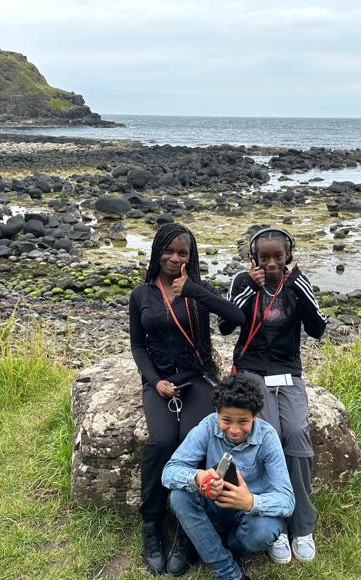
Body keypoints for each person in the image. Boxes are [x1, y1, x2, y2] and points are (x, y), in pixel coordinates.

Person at [129, 223, 246, 575]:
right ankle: (152, 522)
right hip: (160, 382)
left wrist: (194, 290)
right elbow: (138, 346)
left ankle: (186, 531)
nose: (175, 258)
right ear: (157, 252)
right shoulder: (141, 294)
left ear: (191, 257)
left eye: (183, 253)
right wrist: (155, 382)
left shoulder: (197, 290)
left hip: (196, 378)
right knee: (162, 441)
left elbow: (237, 317)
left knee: (193, 442)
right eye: (168, 250)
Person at [219, 227, 327, 564]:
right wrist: (250, 289)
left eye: (277, 257)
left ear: (287, 256)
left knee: (295, 432)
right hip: (251, 369)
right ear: (254, 258)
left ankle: (302, 524)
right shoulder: (242, 281)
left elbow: (318, 329)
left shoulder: (297, 284)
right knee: (268, 435)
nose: (270, 264)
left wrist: (299, 286)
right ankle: (274, 521)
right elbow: (225, 326)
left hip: (287, 370)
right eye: (264, 257)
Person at [162, 373, 295, 580]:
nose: (234, 430)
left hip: (247, 514)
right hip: (212, 504)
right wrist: (198, 477)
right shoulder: (208, 426)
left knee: (265, 531)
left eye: (243, 421)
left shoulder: (267, 437)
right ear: (217, 412)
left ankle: (230, 545)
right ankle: (226, 569)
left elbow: (287, 500)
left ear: (255, 416)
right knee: (179, 497)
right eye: (226, 420)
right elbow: (169, 472)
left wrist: (250, 502)